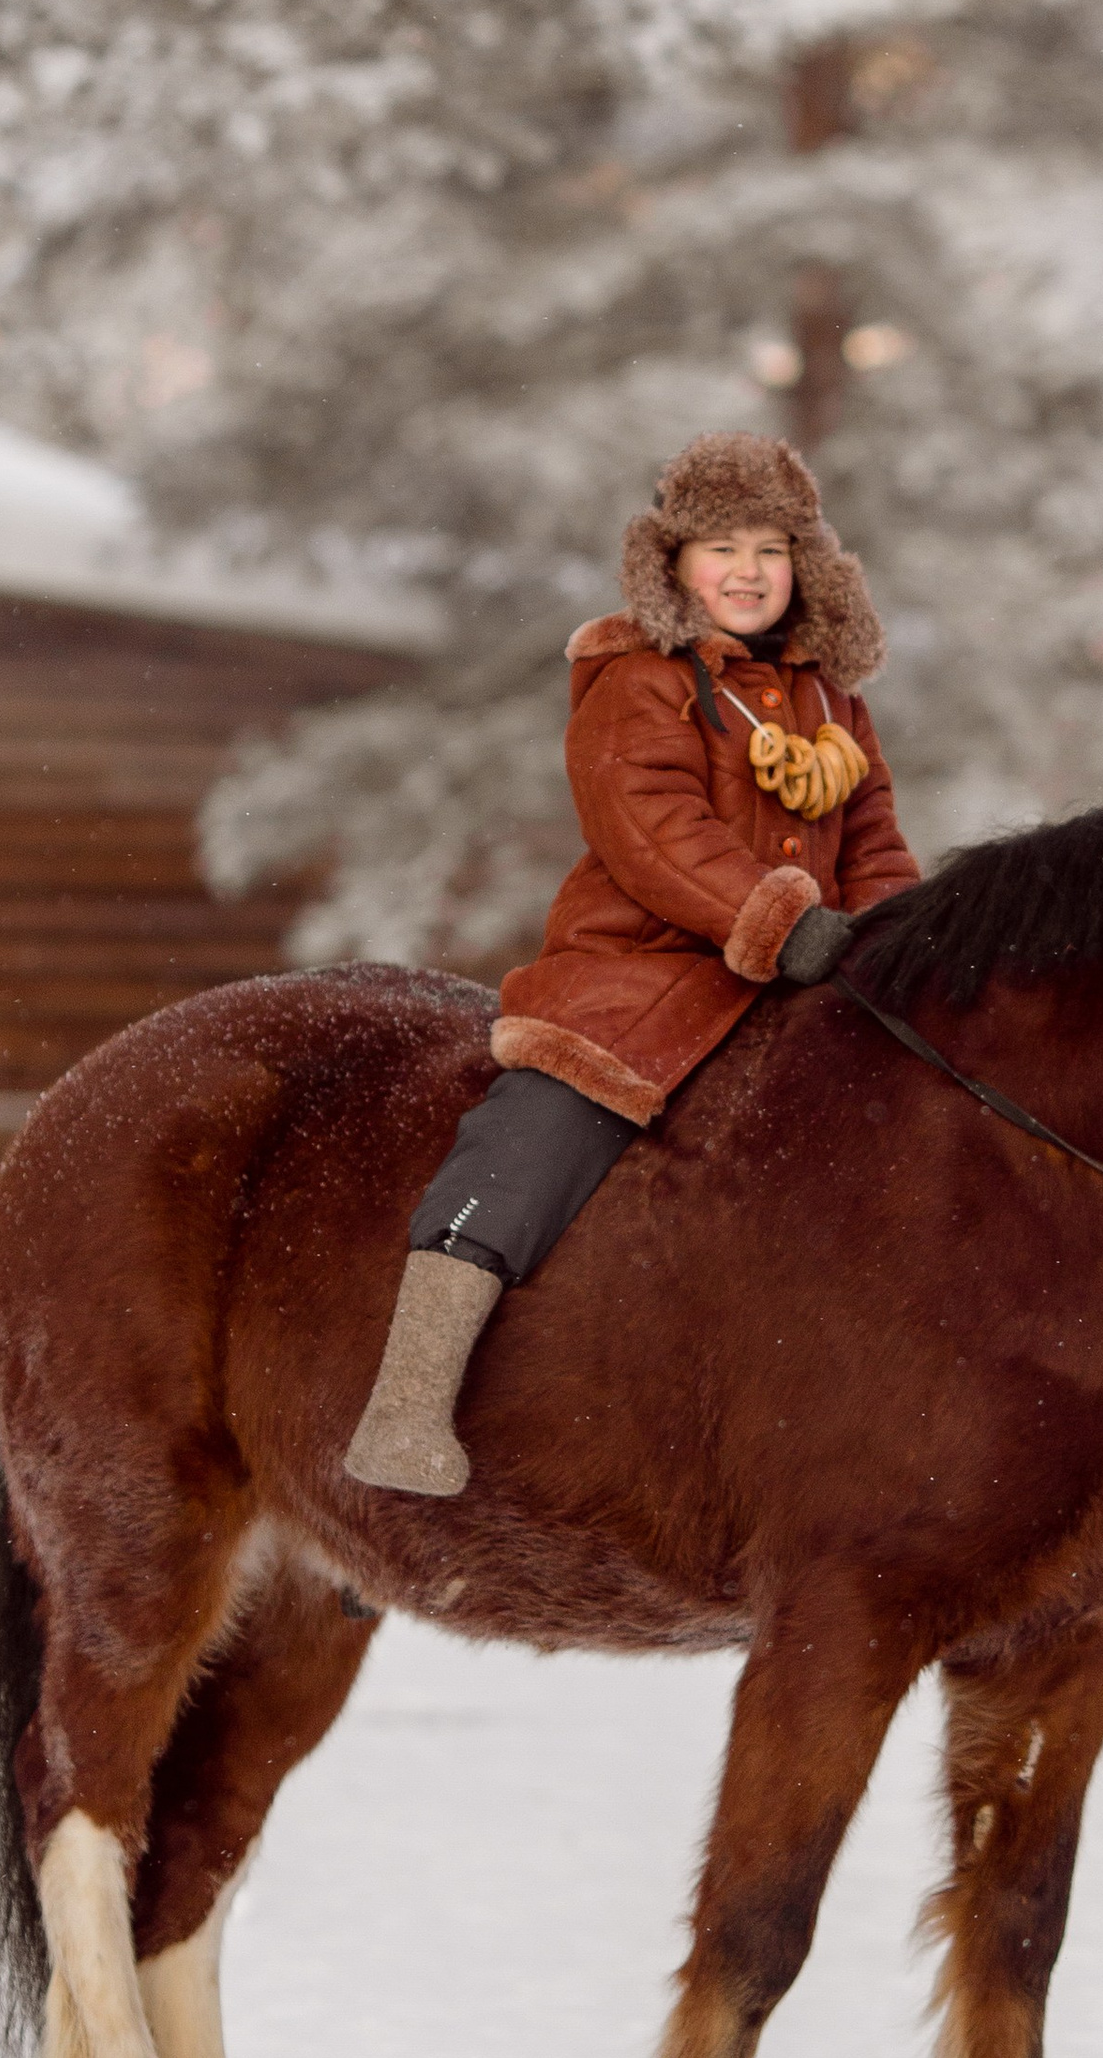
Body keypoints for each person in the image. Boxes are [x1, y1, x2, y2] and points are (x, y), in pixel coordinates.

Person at [344, 433, 922, 1496]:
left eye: (770, 548)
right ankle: (406, 1403)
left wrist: (902, 941)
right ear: (672, 562)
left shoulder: (832, 702)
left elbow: (874, 837)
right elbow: (648, 825)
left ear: (805, 565)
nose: (747, 571)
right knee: (542, 1131)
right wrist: (775, 921)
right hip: (647, 974)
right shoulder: (638, 678)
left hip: (811, 978)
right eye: (720, 547)